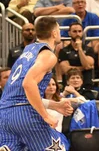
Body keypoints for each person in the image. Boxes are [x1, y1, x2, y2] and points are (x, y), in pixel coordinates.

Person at [0, 17, 74, 150]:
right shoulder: (48, 55)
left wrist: (54, 105)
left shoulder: (28, 50)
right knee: (60, 146)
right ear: (54, 33)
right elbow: (28, 84)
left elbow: (20, 94)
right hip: (25, 114)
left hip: (5, 115)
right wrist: (46, 116)